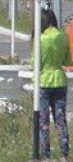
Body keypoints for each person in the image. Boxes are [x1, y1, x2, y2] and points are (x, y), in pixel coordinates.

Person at [37, 9, 72, 162]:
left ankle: (46, 155)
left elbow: (35, 62)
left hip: (44, 81)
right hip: (59, 80)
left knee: (43, 120)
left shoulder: (40, 39)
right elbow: (67, 61)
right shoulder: (62, 37)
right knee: (60, 119)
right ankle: (64, 154)